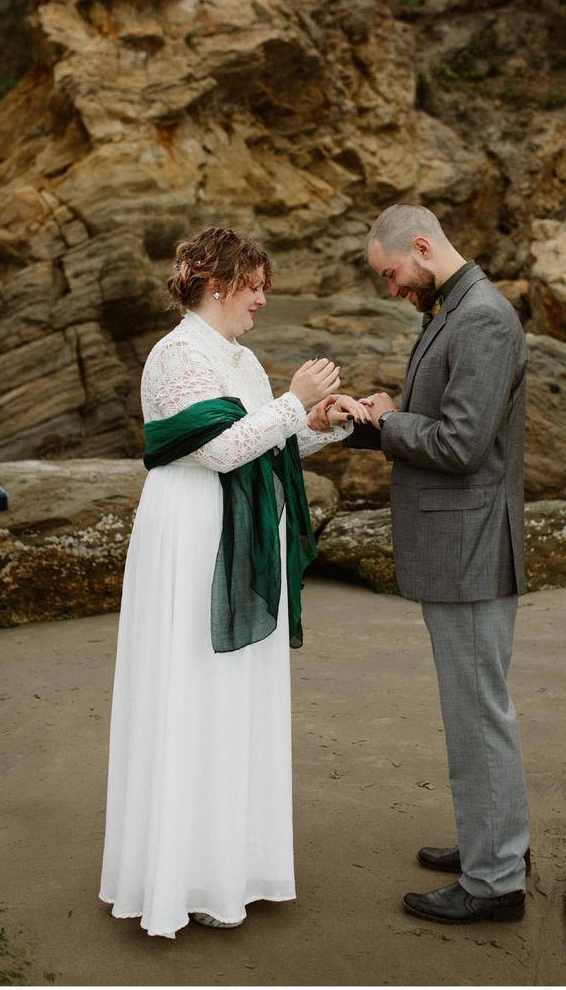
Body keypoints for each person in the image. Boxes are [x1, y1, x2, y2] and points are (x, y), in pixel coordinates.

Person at [100, 226, 369, 937]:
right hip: (193, 536)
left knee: (233, 695)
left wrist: (322, 421)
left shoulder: (238, 358)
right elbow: (219, 450)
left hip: (239, 536)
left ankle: (232, 868)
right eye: (254, 286)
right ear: (218, 284)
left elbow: (265, 440)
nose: (262, 299)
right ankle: (179, 877)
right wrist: (292, 398)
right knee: (192, 685)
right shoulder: (177, 353)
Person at [318, 203, 531, 925]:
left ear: (419, 245)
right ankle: (495, 845)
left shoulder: (482, 317)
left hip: (471, 548)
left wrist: (387, 420)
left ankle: (495, 879)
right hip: (461, 543)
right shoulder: (455, 309)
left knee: (476, 715)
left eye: (390, 274)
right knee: (477, 708)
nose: (390, 288)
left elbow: (462, 444)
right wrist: (371, 418)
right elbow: (440, 421)